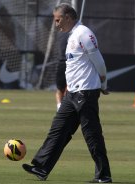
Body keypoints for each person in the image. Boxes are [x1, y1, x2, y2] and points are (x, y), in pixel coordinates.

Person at [22, 3, 112, 183]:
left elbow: (99, 62)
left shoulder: (84, 34)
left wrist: (103, 84)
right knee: (57, 130)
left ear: (68, 17)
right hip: (72, 94)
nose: (56, 24)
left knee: (92, 135)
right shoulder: (72, 36)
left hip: (86, 93)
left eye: (58, 20)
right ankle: (41, 167)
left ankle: (104, 175)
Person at [55, 32, 68, 110]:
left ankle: (61, 108)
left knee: (65, 89)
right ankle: (60, 108)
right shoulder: (63, 34)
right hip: (64, 63)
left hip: (68, 63)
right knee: (60, 88)